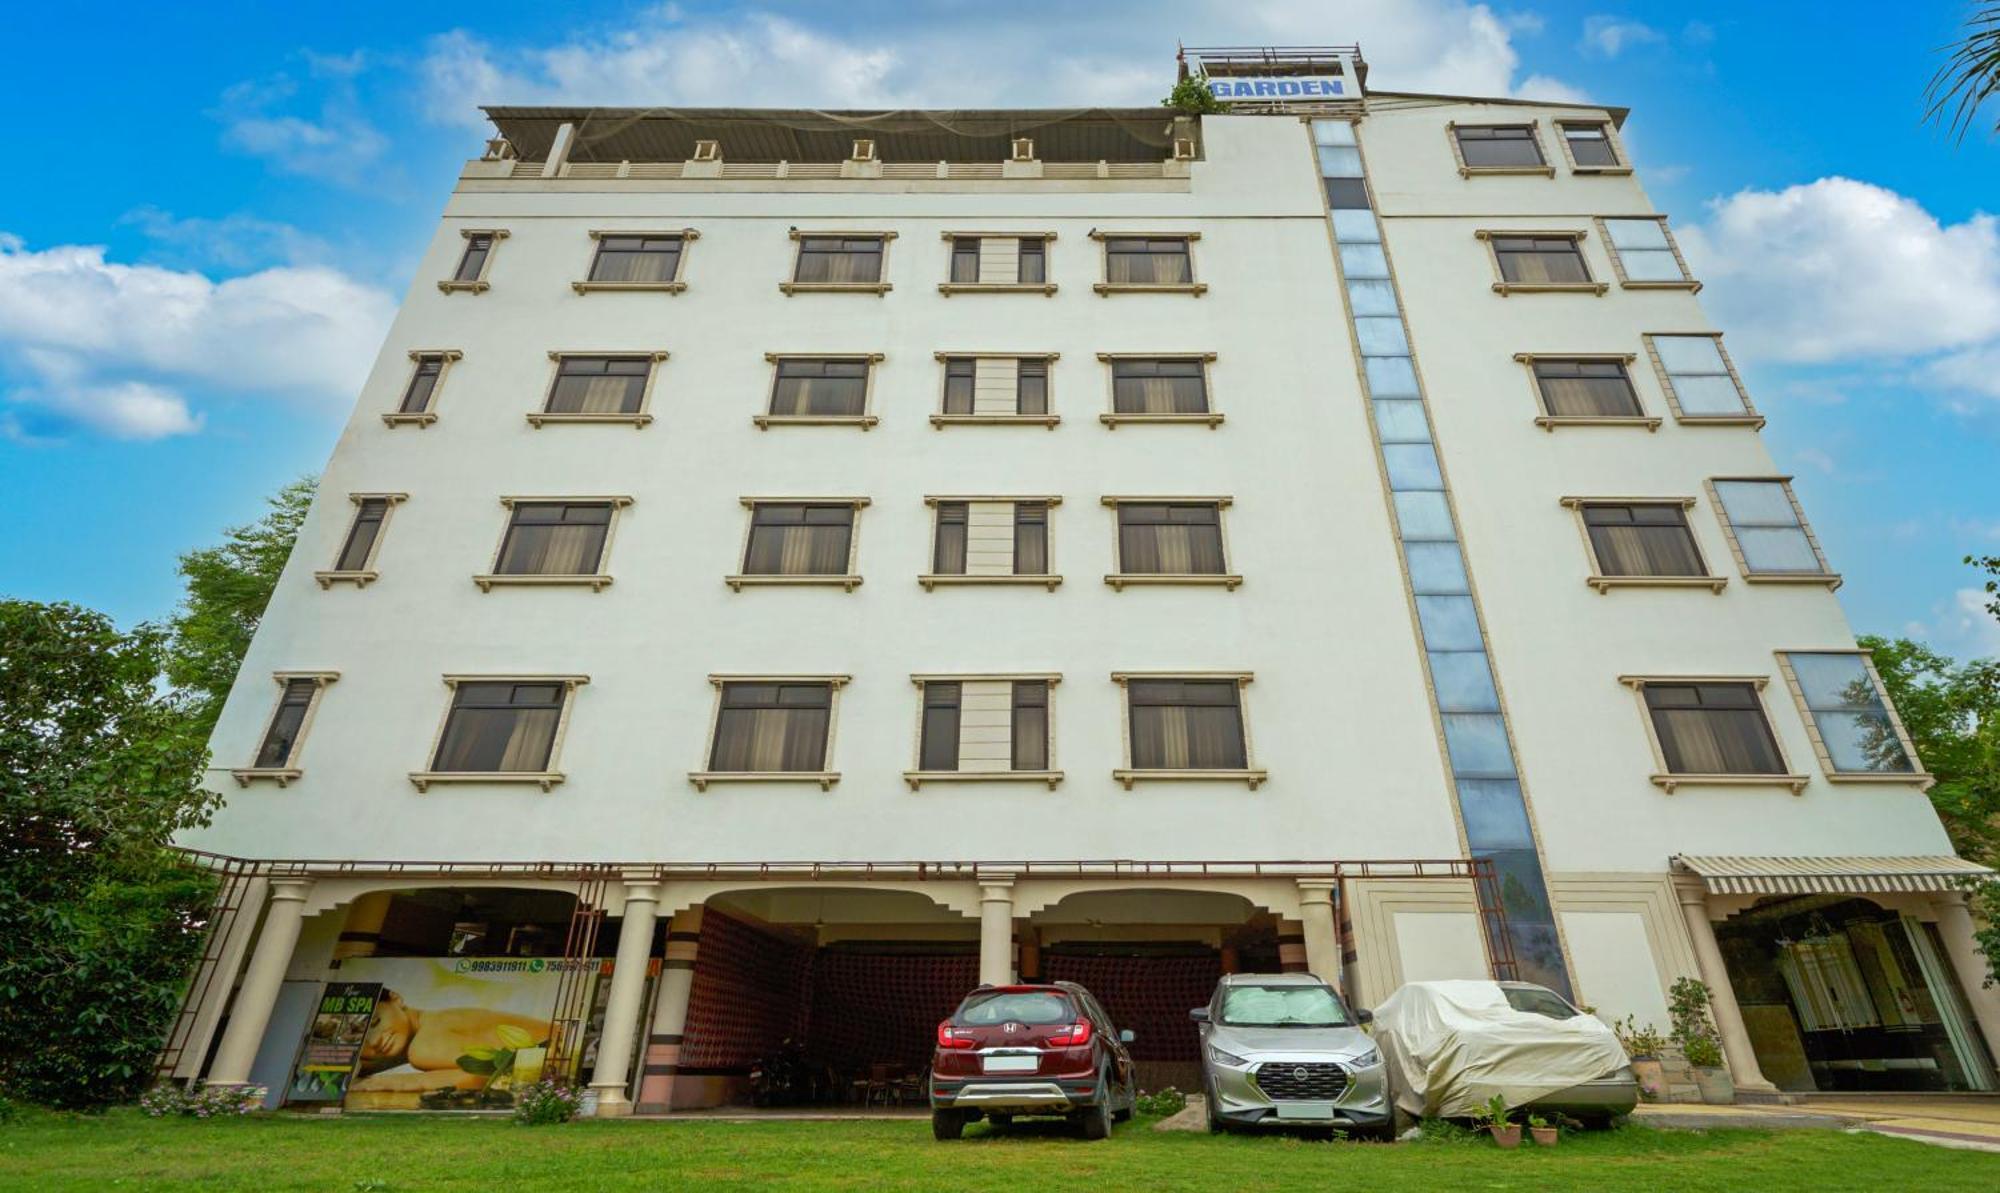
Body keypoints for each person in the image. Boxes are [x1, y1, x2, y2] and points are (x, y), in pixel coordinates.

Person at [347, 988, 554, 1093]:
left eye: (375, 1022)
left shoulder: (423, 1047)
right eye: (359, 1040)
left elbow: (490, 1076)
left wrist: (408, 1081)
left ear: (395, 998)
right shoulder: (441, 1019)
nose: (373, 1041)